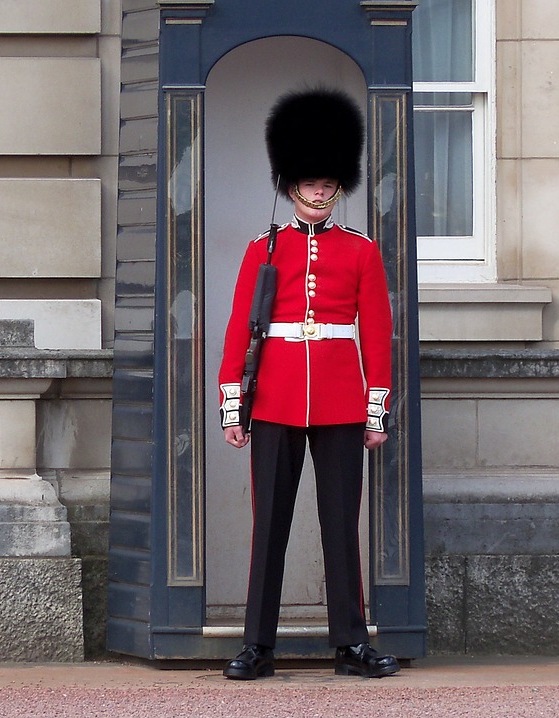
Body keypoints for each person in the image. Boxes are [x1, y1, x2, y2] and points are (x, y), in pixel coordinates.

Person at [217, 88, 398, 680]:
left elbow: (376, 335)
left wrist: (376, 412)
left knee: (340, 525)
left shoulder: (362, 253)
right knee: (269, 524)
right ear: (291, 183)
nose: (319, 191)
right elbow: (240, 332)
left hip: (343, 402)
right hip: (275, 399)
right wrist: (232, 406)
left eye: (327, 183)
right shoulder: (262, 250)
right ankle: (258, 646)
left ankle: (350, 643)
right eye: (309, 182)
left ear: (338, 186)